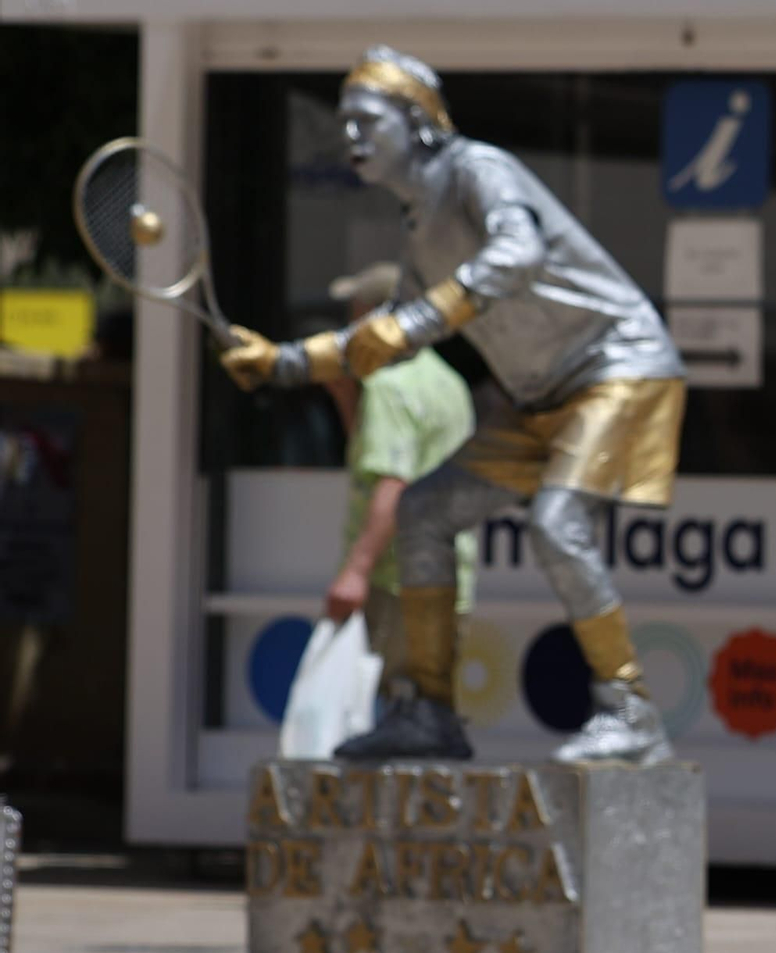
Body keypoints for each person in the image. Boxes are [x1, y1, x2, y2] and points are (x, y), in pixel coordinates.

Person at [220, 46, 686, 764]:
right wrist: (282, 362)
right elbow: (388, 333)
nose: (350, 136)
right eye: (344, 122)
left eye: (366, 121)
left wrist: (406, 323)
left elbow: (516, 255)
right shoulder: (419, 228)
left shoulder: (478, 169)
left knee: (559, 525)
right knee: (424, 511)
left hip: (617, 368)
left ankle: (631, 712)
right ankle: (428, 710)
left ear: (418, 123)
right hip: (539, 400)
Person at [318, 262, 476, 701]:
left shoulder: (392, 388)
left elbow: (394, 484)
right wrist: (348, 402)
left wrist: (355, 572)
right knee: (429, 721)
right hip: (446, 581)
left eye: (355, 311)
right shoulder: (448, 383)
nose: (350, 325)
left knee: (393, 728)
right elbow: (395, 461)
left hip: (396, 587)